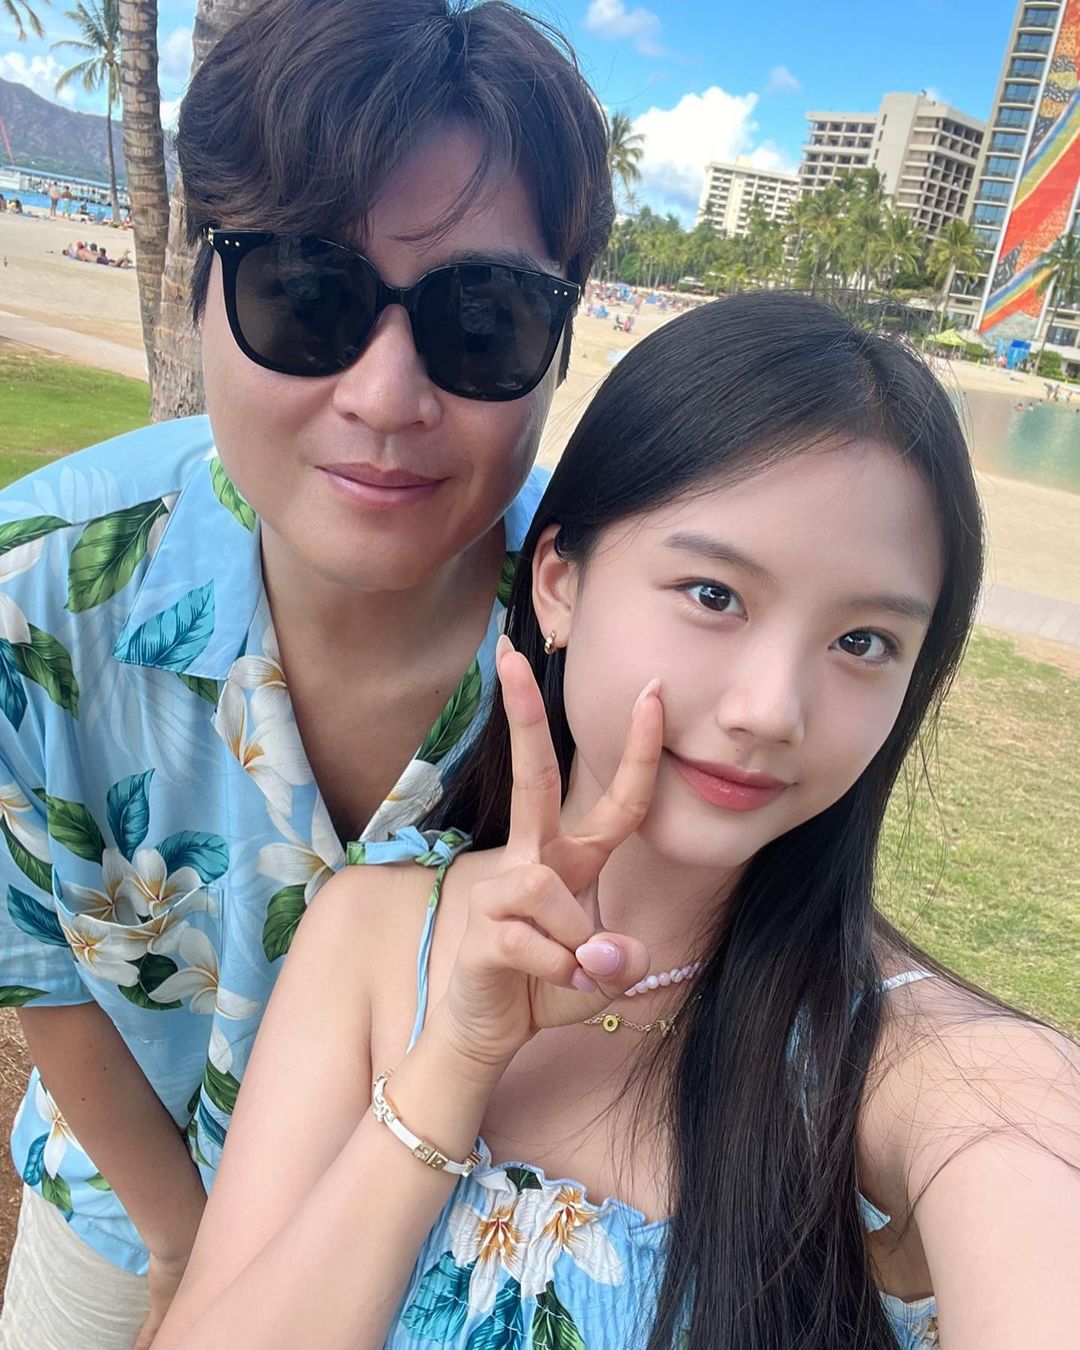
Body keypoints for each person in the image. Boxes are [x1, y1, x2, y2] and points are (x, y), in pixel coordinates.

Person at [155, 293, 1080, 1350]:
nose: (771, 709)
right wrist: (451, 1066)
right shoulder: (375, 934)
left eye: (863, 642)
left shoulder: (929, 1068)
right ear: (558, 582)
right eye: (714, 595)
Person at [0, 1, 612, 1347]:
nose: (387, 396)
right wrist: (183, 1242)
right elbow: (36, 958)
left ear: (558, 349)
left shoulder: (618, 638)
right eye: (306, 292)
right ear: (201, 291)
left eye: (483, 320)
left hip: (445, 1245)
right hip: (123, 1206)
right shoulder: (32, 593)